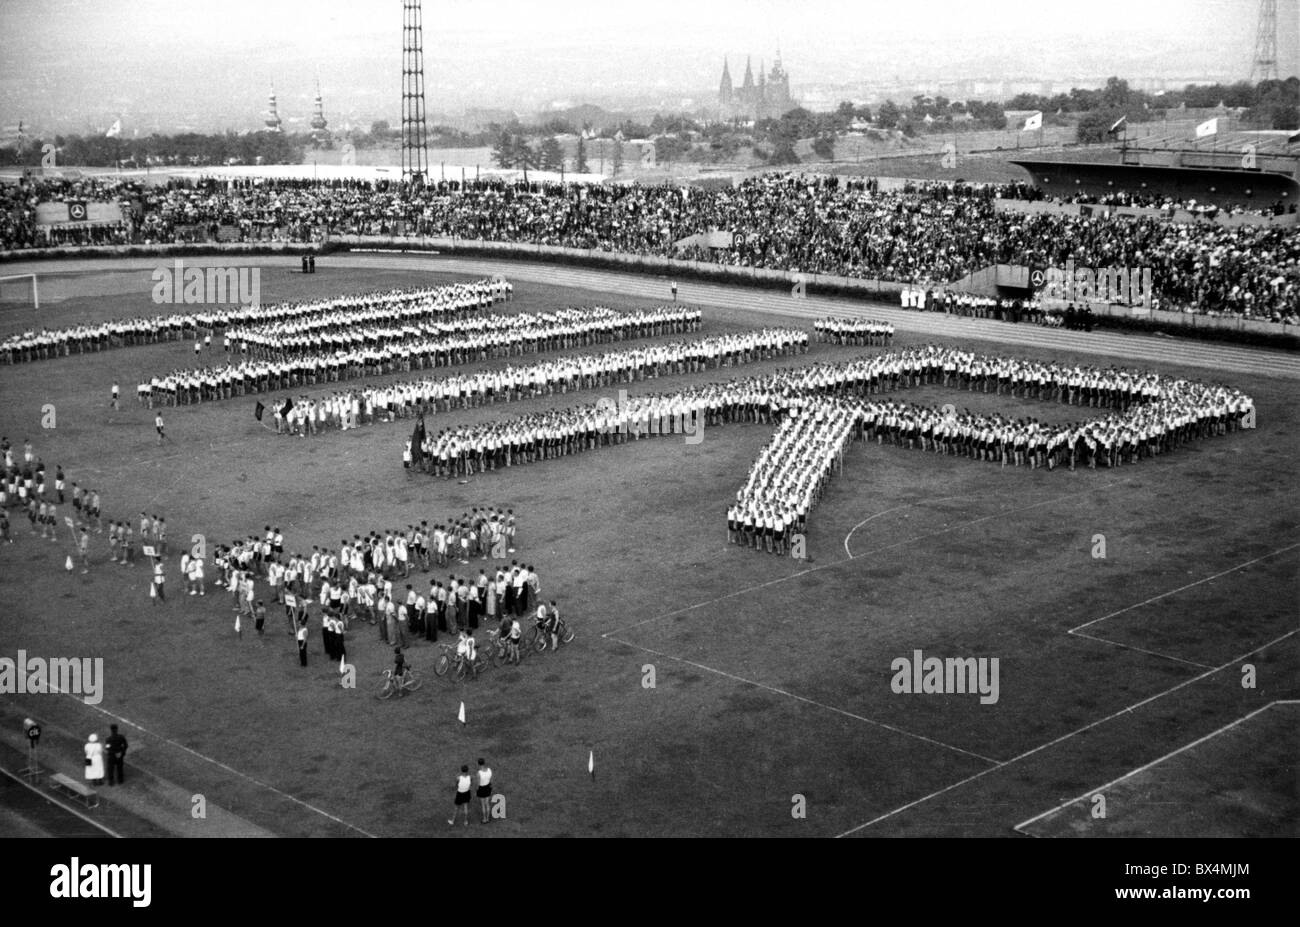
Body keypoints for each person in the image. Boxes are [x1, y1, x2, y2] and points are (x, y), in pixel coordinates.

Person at [476, 758, 493, 824]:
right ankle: (488, 819)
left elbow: (478, 783)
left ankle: (484, 819)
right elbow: (490, 780)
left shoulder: (479, 773)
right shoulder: (489, 770)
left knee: (483, 804)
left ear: (478, 764)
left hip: (481, 788)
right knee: (487, 803)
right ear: (484, 763)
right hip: (488, 787)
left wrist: (477, 789)